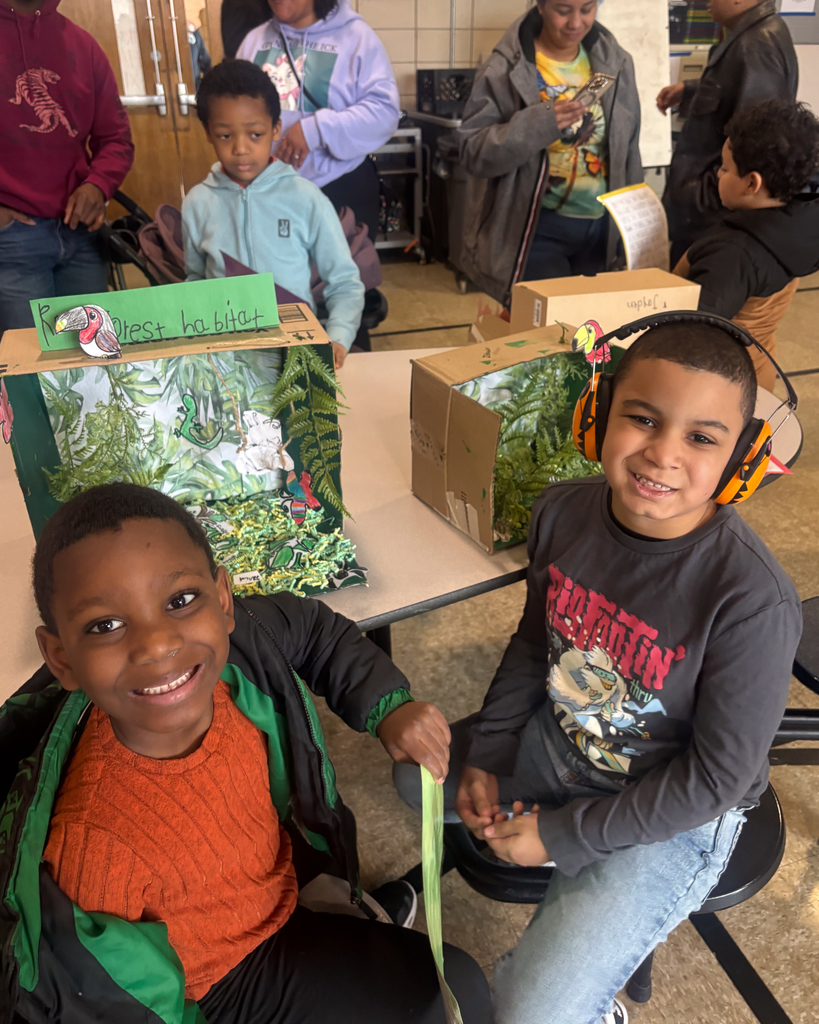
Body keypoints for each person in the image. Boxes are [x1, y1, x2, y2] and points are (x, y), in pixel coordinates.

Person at [394, 320, 801, 1024]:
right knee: (414, 776)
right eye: (641, 419)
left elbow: (716, 779)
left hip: (672, 813)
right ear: (597, 411)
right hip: (563, 742)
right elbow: (532, 643)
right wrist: (490, 751)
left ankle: (590, 997)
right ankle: (570, 872)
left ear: (743, 455)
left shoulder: (750, 600)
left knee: (530, 1013)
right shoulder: (562, 511)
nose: (661, 455)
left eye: (700, 438)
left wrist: (563, 836)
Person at [0, 483, 492, 1024]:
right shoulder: (95, 848)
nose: (157, 644)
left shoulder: (246, 653)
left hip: (283, 892)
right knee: (446, 998)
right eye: (105, 625)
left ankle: (339, 921)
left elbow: (314, 629)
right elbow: (118, 1007)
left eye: (180, 601)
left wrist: (389, 705)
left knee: (453, 986)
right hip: (214, 989)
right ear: (60, 658)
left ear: (224, 600)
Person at [455, 0, 642, 306]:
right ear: (540, 6)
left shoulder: (616, 62)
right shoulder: (505, 69)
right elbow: (473, 151)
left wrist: (630, 229)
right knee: (547, 339)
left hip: (601, 230)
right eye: (563, 10)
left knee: (592, 337)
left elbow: (629, 148)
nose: (576, 23)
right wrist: (538, 125)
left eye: (587, 9)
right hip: (535, 233)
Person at [182, 59, 364, 370]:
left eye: (255, 134)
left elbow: (345, 282)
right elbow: (196, 278)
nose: (240, 149)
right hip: (226, 362)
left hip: (296, 356)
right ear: (209, 133)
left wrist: (338, 336)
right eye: (225, 136)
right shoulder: (197, 202)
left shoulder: (306, 199)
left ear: (276, 129)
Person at [0, 0, 134, 338]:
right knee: (27, 371)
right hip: (12, 241)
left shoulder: (83, 45)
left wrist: (98, 185)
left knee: (89, 359)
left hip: (82, 237)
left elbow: (116, 138)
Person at [674, 101, 819, 391]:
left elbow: (694, 334)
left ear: (752, 183)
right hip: (762, 364)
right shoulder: (804, 221)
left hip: (722, 381)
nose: (718, 174)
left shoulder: (732, 254)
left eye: (725, 168)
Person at [229, 0, 399, 242]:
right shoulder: (254, 41)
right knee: (275, 279)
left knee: (340, 278)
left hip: (338, 189)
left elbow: (385, 113)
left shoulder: (357, 38)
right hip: (268, 192)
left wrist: (317, 130)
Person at [657, 0, 798, 265]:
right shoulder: (748, 36)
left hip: (712, 213)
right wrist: (690, 90)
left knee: (695, 299)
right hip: (708, 205)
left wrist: (709, 195)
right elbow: (733, 92)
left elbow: (753, 144)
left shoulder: (757, 45)